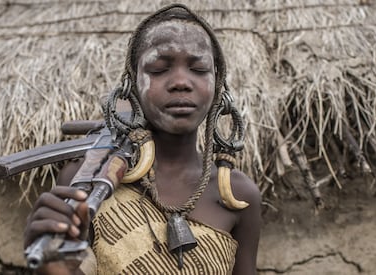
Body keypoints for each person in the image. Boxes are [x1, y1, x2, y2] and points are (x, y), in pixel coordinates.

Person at [24, 3, 261, 275]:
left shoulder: (236, 196)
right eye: (159, 69)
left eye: (198, 69)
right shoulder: (88, 180)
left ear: (217, 83)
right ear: (132, 83)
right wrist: (50, 267)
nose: (181, 82)